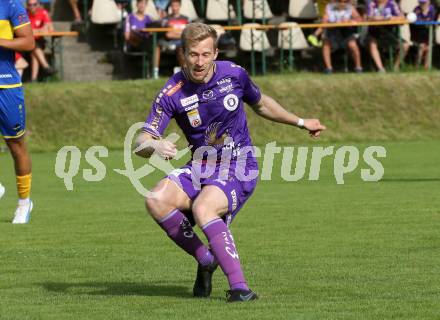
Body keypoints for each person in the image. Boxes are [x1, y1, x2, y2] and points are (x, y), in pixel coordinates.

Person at [134, 23, 326, 302]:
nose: (199, 62)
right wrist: (154, 144)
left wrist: (300, 121)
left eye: (205, 54)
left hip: (239, 165)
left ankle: (240, 288)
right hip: (201, 166)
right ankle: (206, 258)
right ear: (183, 55)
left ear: (215, 53)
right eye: (193, 55)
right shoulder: (173, 91)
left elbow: (261, 104)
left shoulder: (234, 74)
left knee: (203, 207)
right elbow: (141, 140)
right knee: (155, 199)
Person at [0, 0, 35, 223]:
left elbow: (28, 42)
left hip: (7, 86)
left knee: (16, 145)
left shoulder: (10, 5)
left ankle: (24, 203)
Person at [321, 0, 363, 73]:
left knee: (353, 45)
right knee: (326, 44)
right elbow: (324, 21)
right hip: (332, 30)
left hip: (346, 31)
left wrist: (350, 21)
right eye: (340, 1)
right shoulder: (329, 7)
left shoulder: (350, 8)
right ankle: (329, 68)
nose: (342, 3)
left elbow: (359, 19)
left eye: (345, 1)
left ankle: (358, 67)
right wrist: (326, 20)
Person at [154, 0, 189, 78]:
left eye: (176, 6)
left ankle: (186, 73)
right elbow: (168, 34)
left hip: (182, 44)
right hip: (169, 43)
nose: (174, 8)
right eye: (173, 6)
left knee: (181, 49)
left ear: (179, 6)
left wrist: (175, 32)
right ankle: (155, 73)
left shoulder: (186, 19)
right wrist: (181, 33)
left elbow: (188, 33)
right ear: (170, 7)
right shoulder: (166, 19)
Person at [366, 0, 405, 72]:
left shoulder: (392, 3)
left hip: (389, 31)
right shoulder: (372, 3)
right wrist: (378, 18)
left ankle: (395, 67)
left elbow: (402, 17)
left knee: (405, 45)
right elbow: (369, 18)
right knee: (372, 44)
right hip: (374, 31)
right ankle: (381, 69)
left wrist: (392, 18)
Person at [26, 0, 57, 82]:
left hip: (38, 41)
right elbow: (24, 31)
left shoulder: (43, 12)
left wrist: (38, 30)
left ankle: (34, 79)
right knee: (33, 45)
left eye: (34, 4)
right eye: (30, 4)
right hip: (26, 42)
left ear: (38, 5)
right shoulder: (24, 15)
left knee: (34, 53)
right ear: (27, 5)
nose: (32, 6)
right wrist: (39, 30)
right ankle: (46, 66)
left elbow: (50, 28)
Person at [407, 0, 437, 69]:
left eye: (424, 3)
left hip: (429, 33)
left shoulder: (432, 9)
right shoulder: (416, 9)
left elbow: (432, 21)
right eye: (421, 2)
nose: (422, 4)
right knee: (421, 47)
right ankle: (417, 66)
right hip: (418, 34)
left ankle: (426, 66)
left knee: (429, 48)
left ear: (429, 2)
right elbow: (414, 21)